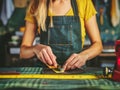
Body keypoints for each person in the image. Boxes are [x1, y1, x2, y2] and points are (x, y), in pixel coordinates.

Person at [20, 0, 103, 71]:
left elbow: (98, 45)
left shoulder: (83, 2)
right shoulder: (36, 5)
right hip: (45, 74)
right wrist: (35, 49)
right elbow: (23, 52)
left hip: (76, 72)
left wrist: (84, 55)